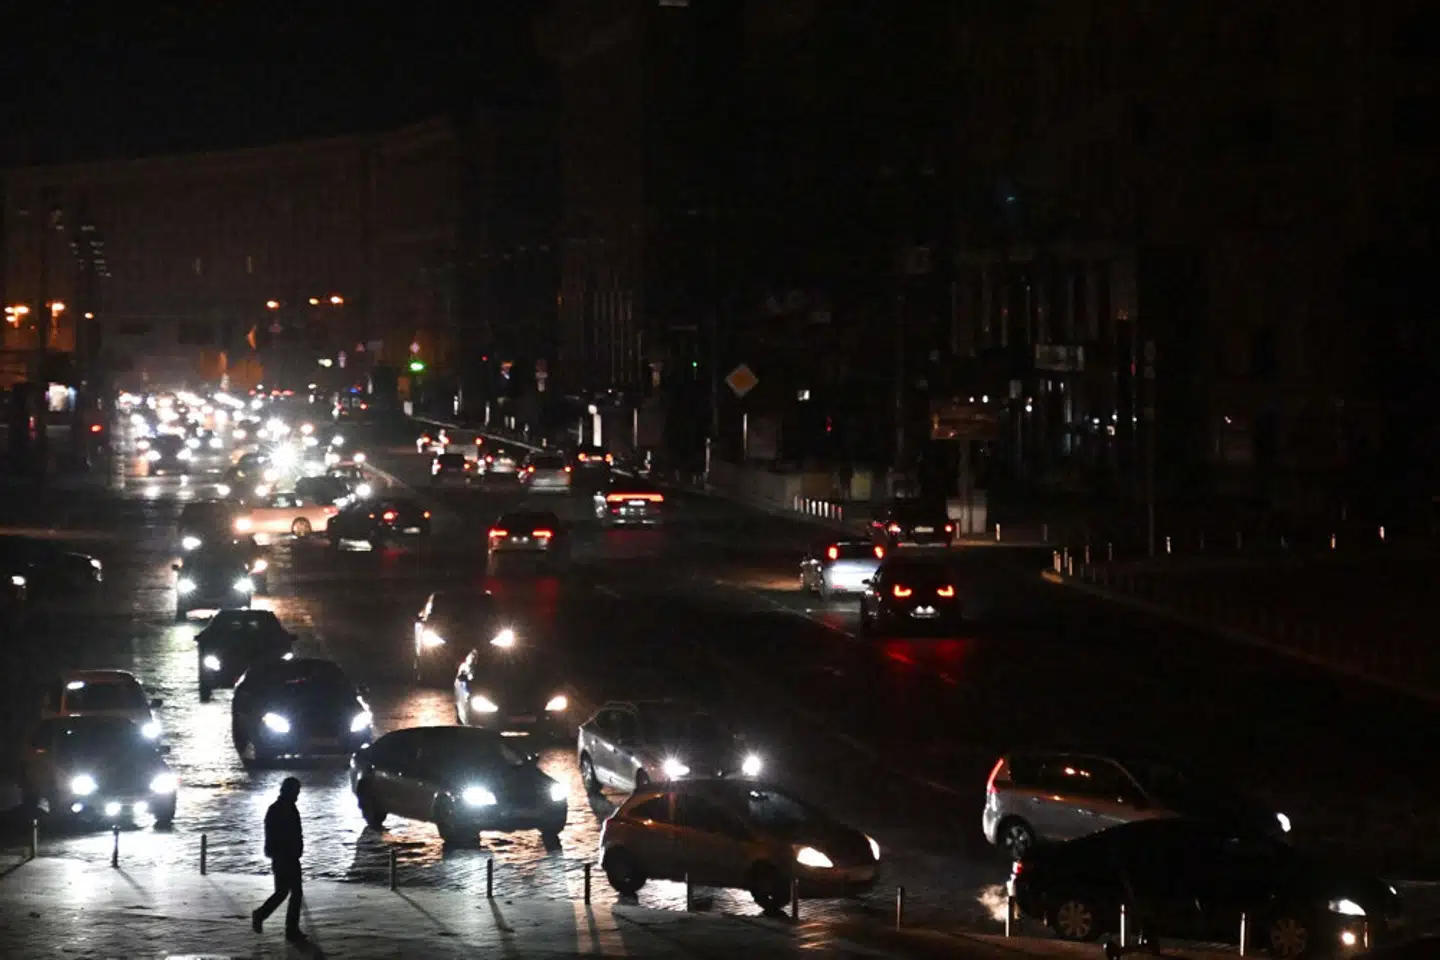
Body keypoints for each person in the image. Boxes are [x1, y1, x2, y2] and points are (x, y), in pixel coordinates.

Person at [252, 776, 307, 944]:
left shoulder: (278, 808)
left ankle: (263, 915)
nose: (297, 795)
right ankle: (290, 929)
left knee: (283, 892)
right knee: (293, 893)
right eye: (296, 791)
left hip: (283, 855)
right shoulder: (285, 809)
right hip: (286, 856)